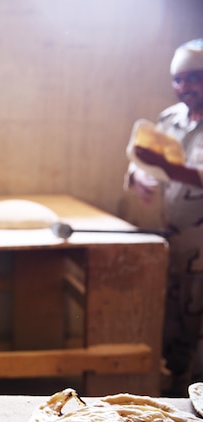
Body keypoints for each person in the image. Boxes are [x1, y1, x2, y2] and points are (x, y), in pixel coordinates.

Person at [125, 38, 203, 397]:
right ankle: (177, 397)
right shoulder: (169, 118)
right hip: (173, 243)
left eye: (195, 78)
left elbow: (181, 170)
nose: (185, 87)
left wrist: (167, 168)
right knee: (174, 326)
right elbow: (142, 161)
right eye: (179, 80)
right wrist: (141, 175)